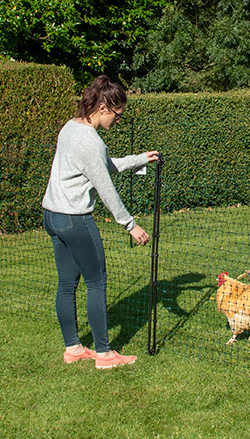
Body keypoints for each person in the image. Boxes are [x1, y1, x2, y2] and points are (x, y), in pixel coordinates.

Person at [41, 75, 159, 369]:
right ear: (104, 107)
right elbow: (106, 189)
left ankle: (73, 349)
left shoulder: (70, 127)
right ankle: (105, 355)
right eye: (118, 114)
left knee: (66, 284)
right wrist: (131, 225)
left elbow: (107, 166)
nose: (119, 120)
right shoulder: (91, 142)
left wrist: (140, 158)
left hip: (52, 216)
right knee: (96, 283)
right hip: (74, 219)